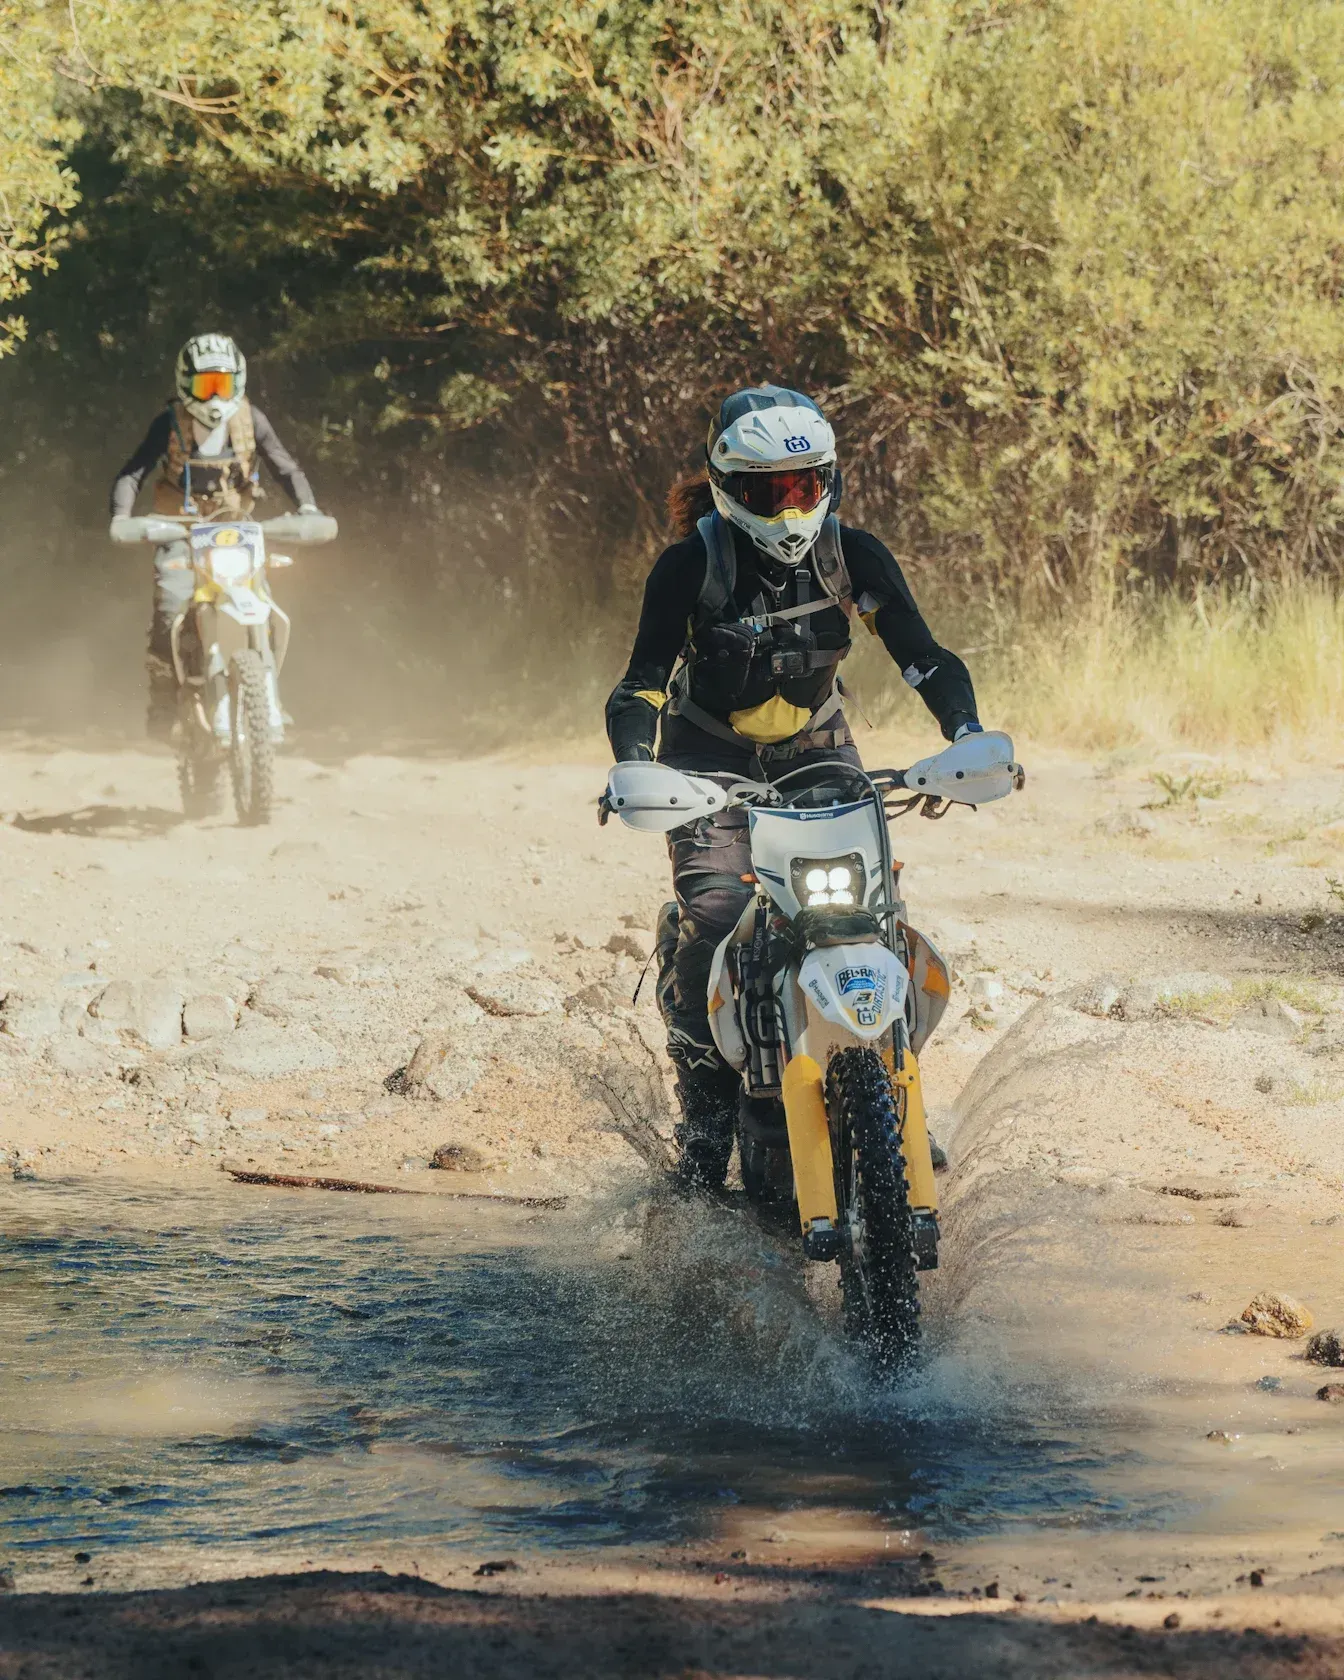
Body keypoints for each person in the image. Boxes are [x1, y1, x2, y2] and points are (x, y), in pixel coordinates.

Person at [606, 385, 982, 1188]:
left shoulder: (855, 556)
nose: (786, 512)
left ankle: (897, 1079)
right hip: (707, 768)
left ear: (829, 481)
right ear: (724, 488)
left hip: (821, 753)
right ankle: (705, 1132)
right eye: (765, 493)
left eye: (802, 487)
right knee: (712, 925)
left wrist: (968, 735)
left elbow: (926, 656)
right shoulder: (688, 566)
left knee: (875, 914)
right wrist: (634, 762)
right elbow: (639, 683)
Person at [109, 333, 323, 741]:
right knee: (170, 605)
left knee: (266, 602)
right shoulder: (169, 424)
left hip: (235, 531)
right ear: (184, 384)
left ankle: (267, 692)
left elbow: (285, 467)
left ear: (237, 383)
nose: (213, 397)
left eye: (221, 385)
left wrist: (308, 508)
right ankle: (165, 702)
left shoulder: (250, 419)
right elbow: (132, 472)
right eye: (204, 386)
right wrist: (122, 516)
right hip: (178, 531)